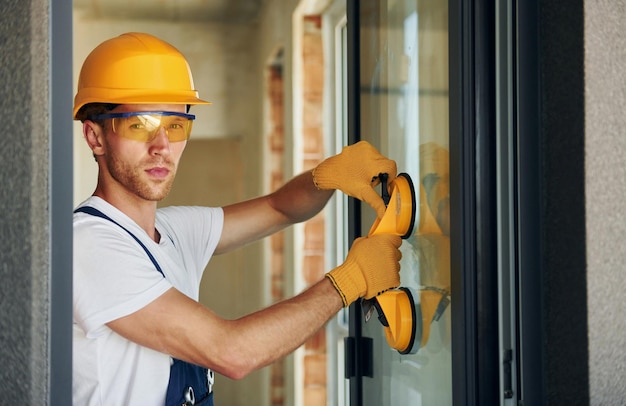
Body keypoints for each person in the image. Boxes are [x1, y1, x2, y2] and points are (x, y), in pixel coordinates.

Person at [72, 32, 402, 406]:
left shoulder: (170, 233)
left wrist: (326, 177)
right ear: (94, 137)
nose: (162, 146)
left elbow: (281, 207)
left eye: (175, 125)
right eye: (139, 124)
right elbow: (232, 352)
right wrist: (349, 280)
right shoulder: (89, 244)